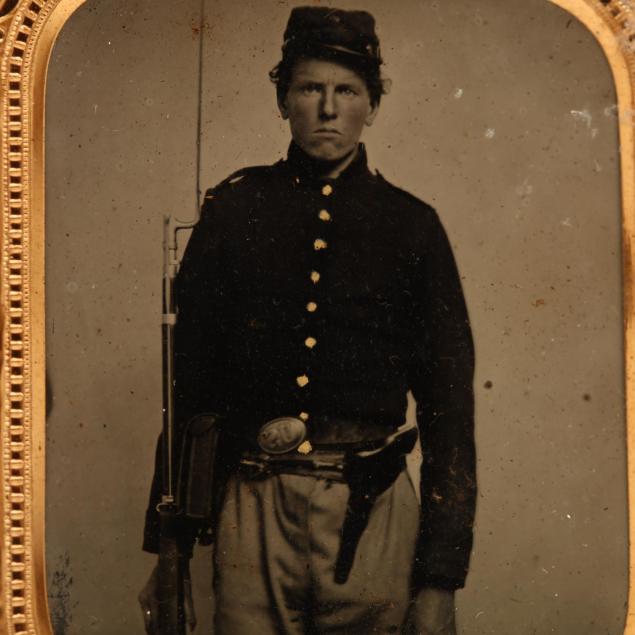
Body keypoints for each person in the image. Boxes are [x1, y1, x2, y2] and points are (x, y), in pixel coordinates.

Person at [139, 6, 476, 634]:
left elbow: (450, 413)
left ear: (371, 104)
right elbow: (188, 388)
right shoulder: (233, 210)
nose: (328, 108)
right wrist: (171, 550)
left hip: (372, 517)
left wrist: (440, 578)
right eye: (309, 88)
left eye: (346, 90)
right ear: (283, 98)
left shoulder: (412, 226)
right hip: (251, 511)